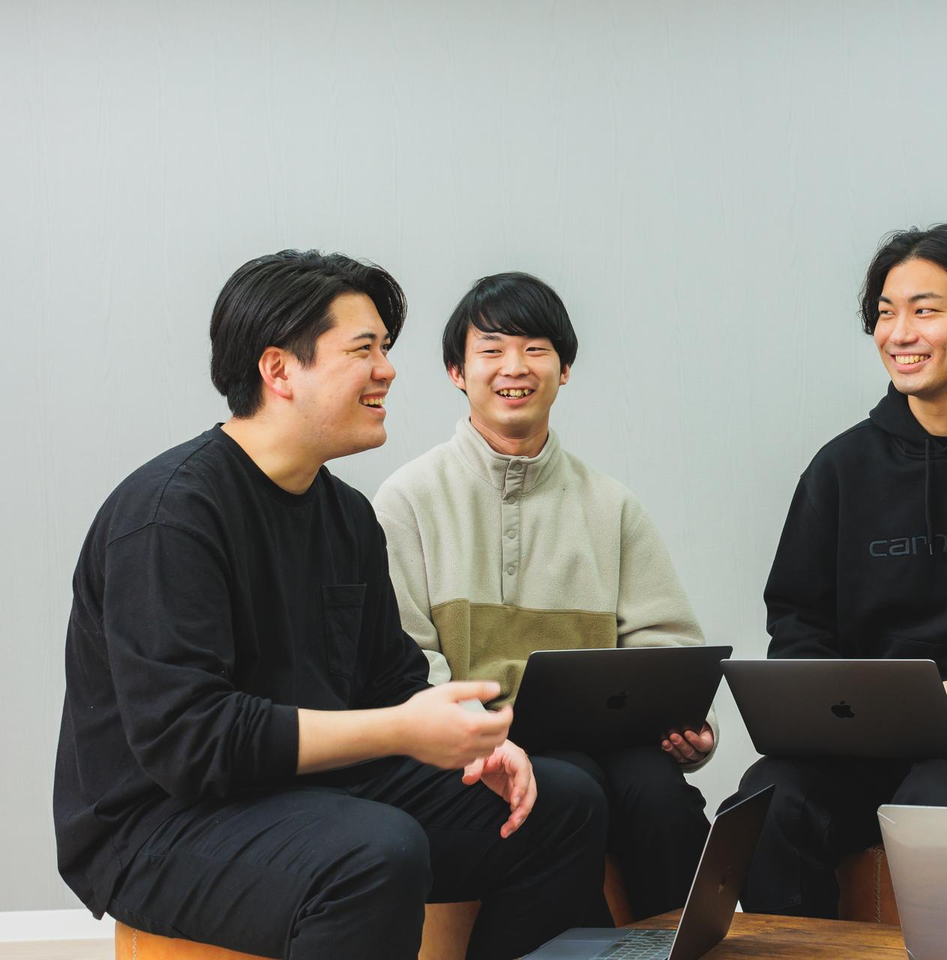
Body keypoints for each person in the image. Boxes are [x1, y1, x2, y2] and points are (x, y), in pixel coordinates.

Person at [53, 251, 608, 960]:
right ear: (279, 370)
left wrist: (477, 743)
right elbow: (192, 742)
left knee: (560, 804)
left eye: (386, 349)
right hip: (159, 821)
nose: (388, 370)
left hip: (312, 789)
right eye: (363, 349)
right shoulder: (171, 515)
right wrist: (400, 730)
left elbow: (390, 679)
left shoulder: (346, 516)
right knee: (375, 853)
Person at [727, 224, 947, 918]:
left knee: (933, 812)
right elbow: (798, 620)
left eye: (925, 310)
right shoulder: (840, 468)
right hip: (857, 741)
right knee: (766, 803)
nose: (899, 333)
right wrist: (828, 704)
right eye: (885, 313)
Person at [373, 271, 713, 920]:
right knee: (573, 789)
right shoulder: (408, 499)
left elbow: (668, 645)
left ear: (564, 369)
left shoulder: (611, 505)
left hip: (608, 736)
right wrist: (476, 736)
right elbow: (406, 658)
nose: (515, 368)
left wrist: (691, 725)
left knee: (662, 796)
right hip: (484, 746)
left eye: (536, 349)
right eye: (492, 350)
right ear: (456, 371)